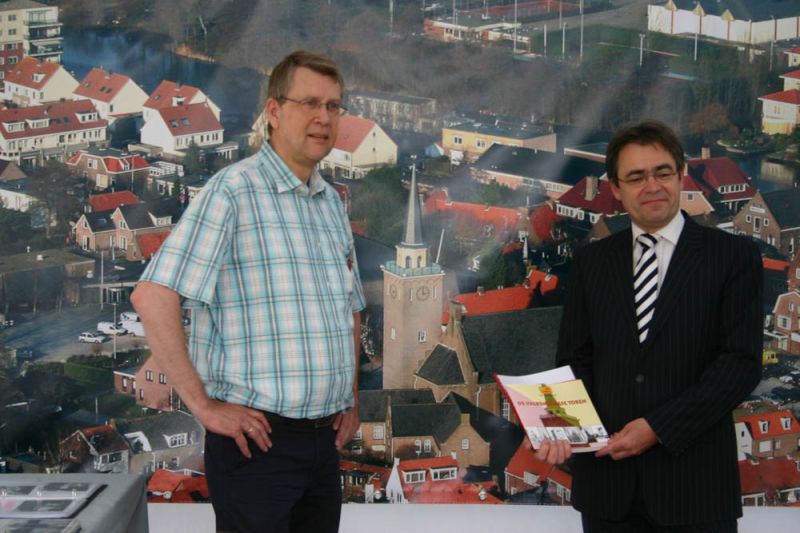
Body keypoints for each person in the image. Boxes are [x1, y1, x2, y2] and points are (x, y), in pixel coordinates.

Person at [130, 50, 365, 533]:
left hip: (323, 443)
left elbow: (351, 311)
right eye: (309, 103)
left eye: (333, 106)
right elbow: (152, 296)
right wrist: (203, 407)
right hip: (257, 446)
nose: (324, 118)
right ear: (274, 112)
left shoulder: (330, 203)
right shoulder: (233, 192)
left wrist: (352, 399)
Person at [537, 120, 762, 532]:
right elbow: (574, 361)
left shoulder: (734, 257)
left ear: (681, 175)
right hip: (607, 491)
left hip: (696, 491)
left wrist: (658, 429)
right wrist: (561, 426)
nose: (652, 186)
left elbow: (740, 365)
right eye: (637, 177)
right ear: (616, 188)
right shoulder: (592, 262)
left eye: (662, 172)